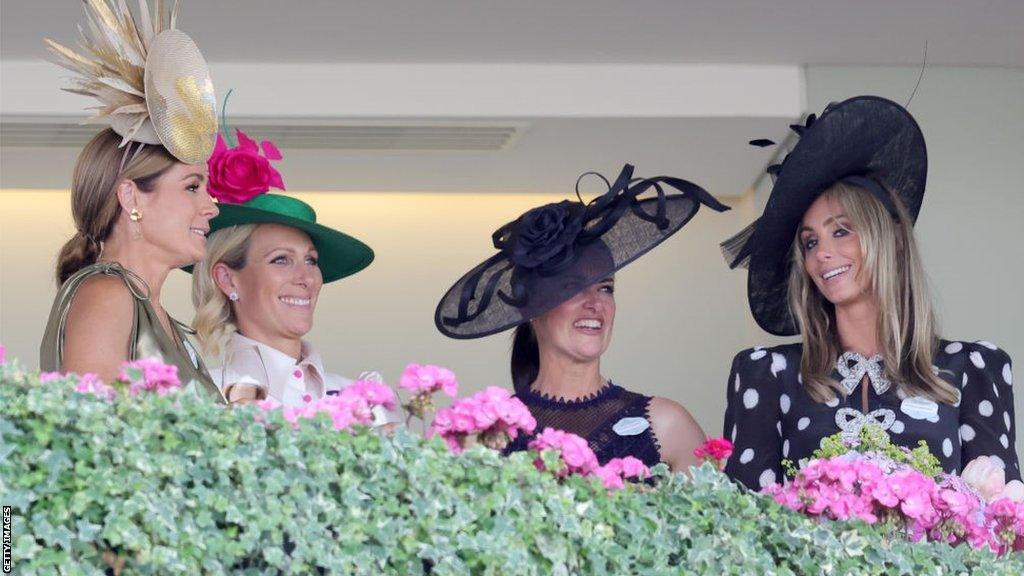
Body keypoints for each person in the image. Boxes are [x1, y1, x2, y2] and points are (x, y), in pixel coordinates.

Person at [720, 96, 1018, 489]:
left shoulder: (973, 369)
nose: (823, 253)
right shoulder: (768, 373)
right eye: (810, 242)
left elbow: (998, 525)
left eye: (841, 230)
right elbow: (745, 522)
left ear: (891, 239)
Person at [436, 164, 730, 472]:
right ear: (532, 310)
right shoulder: (484, 433)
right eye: (572, 287)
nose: (594, 303)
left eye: (605, 288)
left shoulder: (667, 426)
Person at [39, 0, 223, 400]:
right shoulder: (107, 294)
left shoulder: (165, 319)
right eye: (192, 187)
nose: (211, 207)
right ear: (130, 196)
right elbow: (97, 445)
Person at [190, 130, 381, 412]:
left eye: (311, 261)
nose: (305, 278)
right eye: (281, 260)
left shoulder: (362, 401)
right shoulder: (201, 401)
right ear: (227, 279)